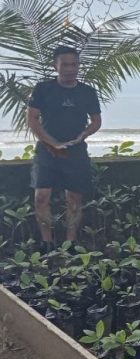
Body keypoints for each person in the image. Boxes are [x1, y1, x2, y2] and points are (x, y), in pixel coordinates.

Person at [27, 45, 102, 252]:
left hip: (75, 151)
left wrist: (83, 135)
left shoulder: (87, 92)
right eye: (65, 64)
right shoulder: (43, 89)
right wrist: (52, 142)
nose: (70, 69)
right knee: (41, 196)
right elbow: (32, 120)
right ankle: (47, 242)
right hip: (47, 150)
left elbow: (96, 121)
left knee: (74, 198)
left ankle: (70, 243)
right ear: (56, 65)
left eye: (74, 64)